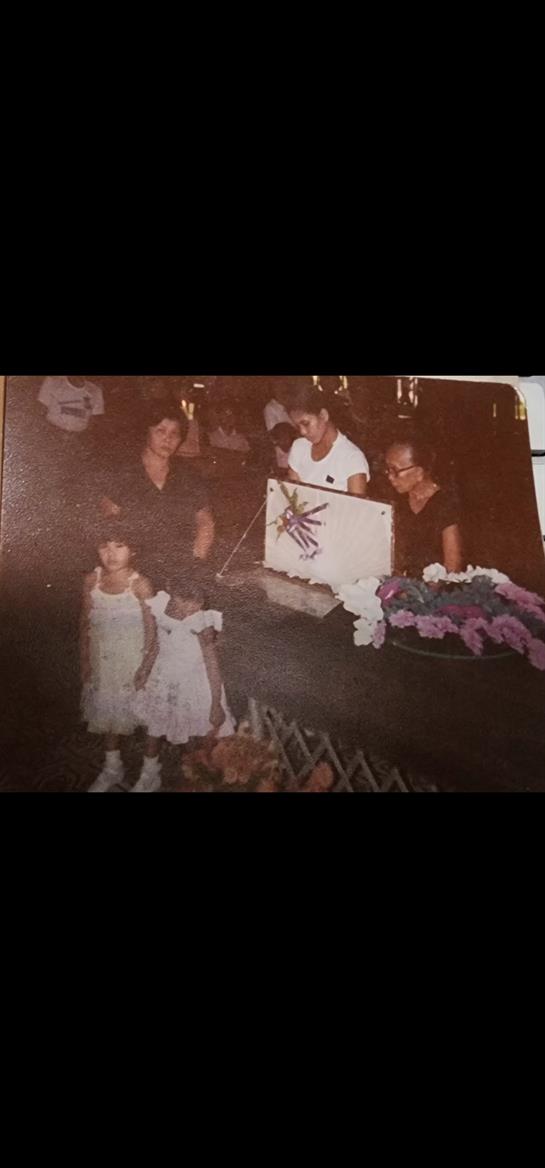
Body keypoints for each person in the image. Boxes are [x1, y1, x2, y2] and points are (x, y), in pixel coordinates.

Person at [132, 569, 236, 791]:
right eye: (185, 600)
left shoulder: (202, 621)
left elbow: (212, 664)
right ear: (171, 590)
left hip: (194, 684)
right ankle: (149, 774)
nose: (193, 606)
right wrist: (145, 668)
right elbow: (158, 642)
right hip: (164, 678)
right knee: (154, 726)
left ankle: (197, 780)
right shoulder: (161, 605)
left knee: (193, 737)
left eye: (199, 600)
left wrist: (216, 703)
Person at [98, 406, 215, 590]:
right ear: (146, 432)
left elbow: (205, 523)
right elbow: (109, 528)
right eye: (161, 431)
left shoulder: (188, 475)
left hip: (181, 569)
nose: (168, 439)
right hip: (133, 572)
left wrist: (193, 569)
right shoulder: (122, 472)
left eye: (174, 434)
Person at [81, 523, 158, 792]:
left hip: (135, 661)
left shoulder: (140, 585)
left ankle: (151, 771)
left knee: (148, 716)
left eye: (119, 546)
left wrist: (146, 666)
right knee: (108, 712)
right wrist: (85, 660)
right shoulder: (92, 581)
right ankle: (112, 767)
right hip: (104, 662)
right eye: (104, 547)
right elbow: (85, 624)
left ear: (133, 550)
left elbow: (152, 630)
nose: (111, 554)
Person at [384, 435, 464, 575]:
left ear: (419, 472)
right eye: (388, 470)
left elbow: (453, 566)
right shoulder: (396, 501)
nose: (390, 477)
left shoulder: (446, 504)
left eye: (395, 471)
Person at [287, 383, 370, 496]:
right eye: (297, 426)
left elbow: (356, 505)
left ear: (323, 415)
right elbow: (293, 498)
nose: (302, 432)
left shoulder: (352, 458)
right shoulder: (299, 447)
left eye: (306, 423)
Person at [38, 375, 104, 435]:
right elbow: (40, 412)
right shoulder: (53, 380)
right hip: (51, 432)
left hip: (79, 437)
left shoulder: (95, 390)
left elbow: (94, 422)